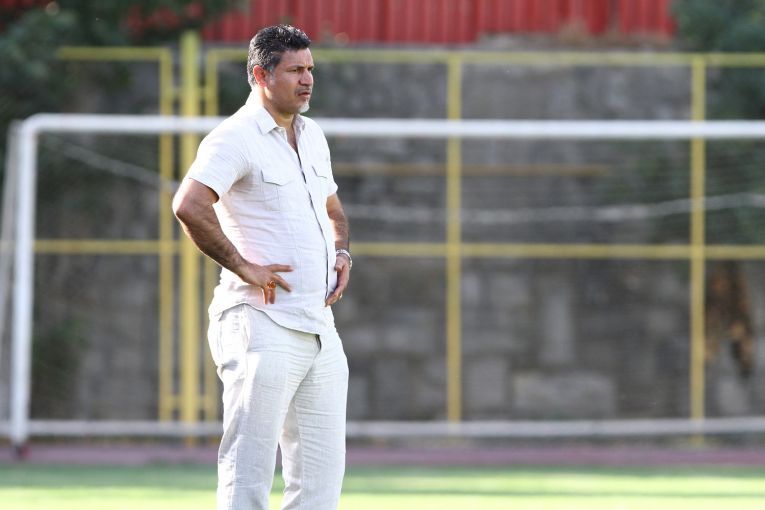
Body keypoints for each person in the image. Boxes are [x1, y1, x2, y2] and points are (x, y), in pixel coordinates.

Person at [172, 24, 351, 510]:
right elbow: (188, 205)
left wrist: (341, 253)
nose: (307, 79)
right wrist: (242, 265)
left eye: (310, 69)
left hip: (319, 327)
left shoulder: (313, 136)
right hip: (260, 322)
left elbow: (334, 210)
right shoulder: (234, 137)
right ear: (260, 75)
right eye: (294, 70)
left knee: (320, 484)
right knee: (248, 471)